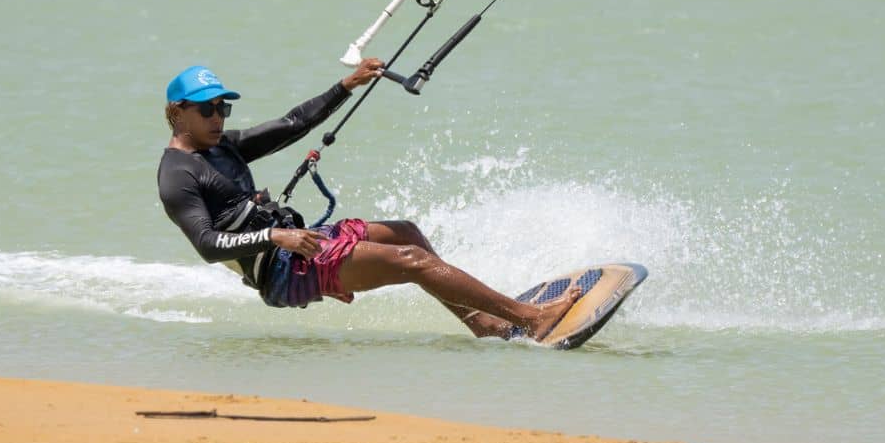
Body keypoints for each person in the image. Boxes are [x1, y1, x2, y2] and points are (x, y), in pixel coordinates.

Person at [157, 62, 578, 341]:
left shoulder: (223, 146)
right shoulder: (177, 175)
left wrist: (346, 86)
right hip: (282, 270)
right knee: (413, 261)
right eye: (207, 110)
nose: (218, 117)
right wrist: (276, 236)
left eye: (223, 108)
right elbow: (207, 245)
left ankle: (483, 324)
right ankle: (530, 317)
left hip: (300, 244)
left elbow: (293, 123)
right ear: (178, 113)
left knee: (407, 234)